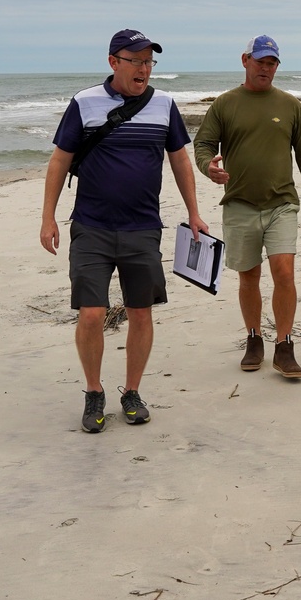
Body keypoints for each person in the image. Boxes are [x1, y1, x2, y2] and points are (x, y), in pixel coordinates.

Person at [40, 29, 209, 433]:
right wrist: (48, 217)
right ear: (114, 62)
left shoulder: (164, 104)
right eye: (136, 60)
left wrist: (194, 211)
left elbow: (180, 161)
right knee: (92, 314)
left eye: (150, 61)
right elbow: (60, 161)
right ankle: (94, 392)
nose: (144, 68)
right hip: (92, 227)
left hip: (142, 227)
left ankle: (131, 392)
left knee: (140, 312)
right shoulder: (84, 103)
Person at [194, 35, 301, 380]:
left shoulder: (290, 106)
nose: (266, 68)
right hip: (239, 204)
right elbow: (203, 143)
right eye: (261, 61)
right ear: (245, 60)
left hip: (282, 203)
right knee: (249, 275)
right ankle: (254, 339)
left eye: (272, 63)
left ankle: (285, 346)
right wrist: (209, 167)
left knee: (283, 271)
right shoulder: (224, 104)